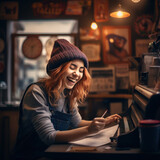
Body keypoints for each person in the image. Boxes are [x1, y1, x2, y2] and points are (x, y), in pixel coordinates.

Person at [12, 39, 121, 160]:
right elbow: (49, 136)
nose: (77, 74)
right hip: (32, 156)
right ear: (58, 68)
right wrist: (90, 129)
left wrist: (104, 123)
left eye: (81, 70)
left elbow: (76, 123)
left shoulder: (68, 94)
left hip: (53, 154)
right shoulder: (36, 92)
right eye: (72, 67)